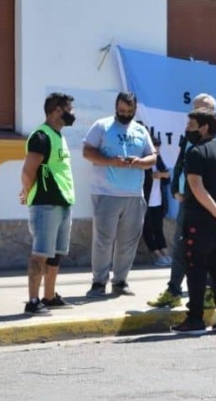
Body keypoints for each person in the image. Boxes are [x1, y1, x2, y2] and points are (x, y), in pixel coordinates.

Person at [147, 94, 216, 308]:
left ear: (212, 113)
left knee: (211, 254)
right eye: (193, 108)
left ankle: (209, 295)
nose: (194, 114)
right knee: (180, 246)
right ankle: (173, 290)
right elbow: (181, 162)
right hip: (189, 202)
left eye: (200, 109)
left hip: (213, 206)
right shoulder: (191, 135)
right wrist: (177, 188)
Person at [170, 108, 216, 335]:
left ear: (204, 127)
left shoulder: (196, 152)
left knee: (196, 268)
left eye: (191, 125)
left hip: (200, 220)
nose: (187, 130)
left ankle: (195, 319)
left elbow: (196, 186)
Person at [83, 92, 157, 297]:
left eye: (129, 111)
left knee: (128, 241)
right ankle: (98, 282)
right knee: (103, 240)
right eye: (122, 110)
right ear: (116, 106)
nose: (125, 114)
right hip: (105, 193)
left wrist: (140, 163)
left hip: (134, 194)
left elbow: (152, 157)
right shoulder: (101, 126)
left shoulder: (141, 130)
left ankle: (120, 281)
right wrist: (111, 161)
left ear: (135, 109)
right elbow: (87, 152)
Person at [19, 92, 77, 315]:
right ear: (57, 110)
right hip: (45, 204)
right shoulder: (41, 136)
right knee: (40, 253)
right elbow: (28, 170)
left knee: (55, 254)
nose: (73, 114)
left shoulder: (58, 136)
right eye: (69, 110)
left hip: (63, 202)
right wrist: (26, 192)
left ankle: (49, 296)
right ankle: (32, 301)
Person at [142, 136, 171, 267]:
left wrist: (162, 175)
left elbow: (167, 177)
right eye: (155, 151)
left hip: (158, 200)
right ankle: (156, 255)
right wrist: (152, 176)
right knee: (147, 228)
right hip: (145, 200)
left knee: (158, 228)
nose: (157, 154)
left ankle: (165, 253)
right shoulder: (143, 161)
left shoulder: (158, 160)